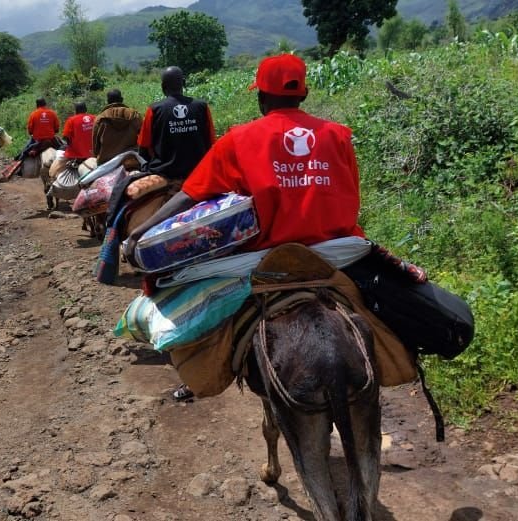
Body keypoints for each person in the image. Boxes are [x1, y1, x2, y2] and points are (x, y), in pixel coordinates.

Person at [125, 54, 359, 401]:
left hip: (264, 256)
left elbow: (190, 194)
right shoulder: (338, 136)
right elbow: (351, 195)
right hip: (336, 251)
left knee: (176, 287)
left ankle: (199, 373)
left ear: (261, 97)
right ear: (304, 94)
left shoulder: (238, 138)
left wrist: (139, 231)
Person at [136, 66, 216, 186]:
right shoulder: (202, 107)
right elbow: (211, 142)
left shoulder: (154, 109)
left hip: (165, 172)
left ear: (163, 86)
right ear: (183, 83)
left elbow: (143, 147)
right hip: (198, 170)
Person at [91, 89, 142, 165]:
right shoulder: (134, 114)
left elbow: (95, 146)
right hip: (130, 159)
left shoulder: (100, 118)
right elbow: (143, 136)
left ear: (108, 101)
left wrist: (96, 155)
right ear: (121, 100)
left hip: (106, 162)